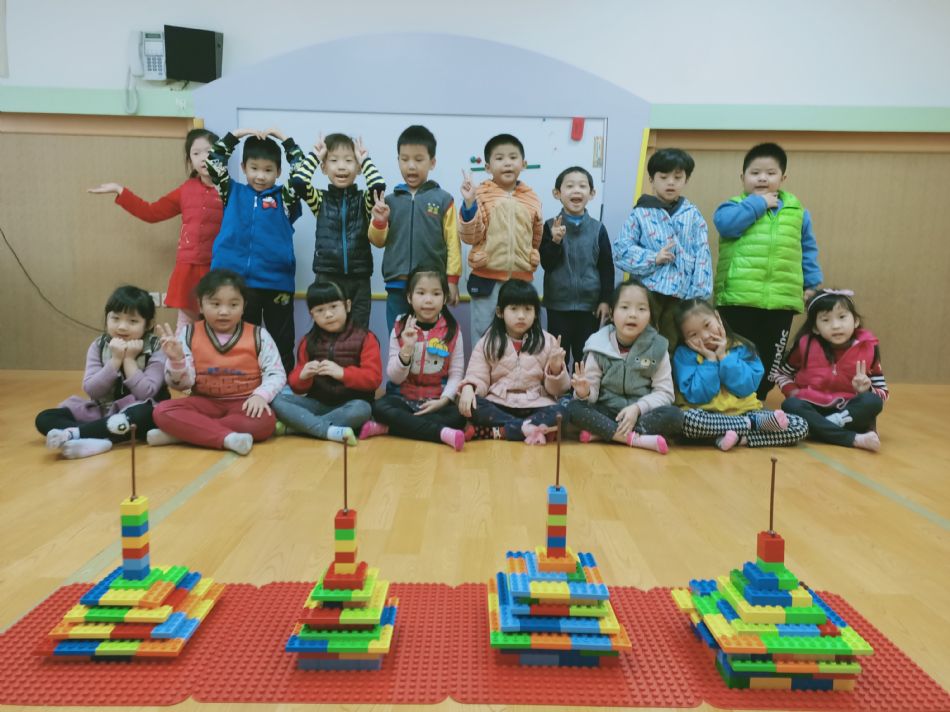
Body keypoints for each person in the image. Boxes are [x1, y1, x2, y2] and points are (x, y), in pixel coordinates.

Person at [713, 142, 823, 400]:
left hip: (781, 300)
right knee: (735, 353)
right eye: (755, 173)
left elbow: (807, 249)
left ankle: (758, 398)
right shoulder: (733, 207)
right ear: (742, 177)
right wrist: (758, 204)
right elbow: (726, 226)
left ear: (783, 178)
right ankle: (732, 398)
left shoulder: (798, 213)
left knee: (771, 354)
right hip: (738, 297)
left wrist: (811, 284)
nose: (762, 178)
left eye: (770, 173)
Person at [88, 128, 223, 328]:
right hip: (188, 270)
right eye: (196, 153)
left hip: (219, 267)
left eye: (209, 152)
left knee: (219, 325)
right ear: (190, 160)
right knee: (186, 328)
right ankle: (181, 350)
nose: (203, 158)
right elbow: (151, 213)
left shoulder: (232, 190)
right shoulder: (185, 190)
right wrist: (120, 190)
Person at [149, 269, 286, 456]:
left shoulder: (259, 335)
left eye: (233, 304)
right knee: (162, 410)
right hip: (204, 403)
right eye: (215, 304)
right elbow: (182, 385)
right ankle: (225, 437)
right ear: (200, 305)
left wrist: (261, 396)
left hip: (245, 404)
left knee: (265, 422)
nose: (224, 311)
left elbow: (276, 373)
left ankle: (185, 433)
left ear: (244, 306)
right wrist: (177, 361)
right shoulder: (188, 334)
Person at [206, 127, 307, 374]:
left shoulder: (285, 197)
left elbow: (302, 172)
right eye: (254, 168)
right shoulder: (232, 191)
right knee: (242, 339)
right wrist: (238, 134)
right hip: (237, 284)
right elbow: (214, 162)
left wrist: (285, 140)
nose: (260, 176)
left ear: (278, 172)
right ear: (243, 167)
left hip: (277, 283)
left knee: (281, 340)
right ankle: (245, 383)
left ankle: (282, 387)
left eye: (268, 170)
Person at [35, 285, 169, 459]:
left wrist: (129, 360)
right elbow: (92, 390)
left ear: (148, 324)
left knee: (141, 415)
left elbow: (147, 392)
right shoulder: (98, 346)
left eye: (133, 321)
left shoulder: (157, 347)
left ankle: (77, 435)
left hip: (139, 410)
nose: (122, 327)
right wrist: (115, 361)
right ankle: (95, 437)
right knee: (45, 418)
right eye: (115, 318)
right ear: (107, 318)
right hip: (104, 411)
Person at [672, 298, 808, 450]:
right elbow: (698, 395)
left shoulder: (741, 347)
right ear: (685, 339)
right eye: (693, 335)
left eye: (707, 325)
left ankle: (736, 438)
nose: (704, 336)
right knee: (687, 421)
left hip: (746, 412)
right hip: (707, 415)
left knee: (799, 426)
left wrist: (723, 356)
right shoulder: (684, 355)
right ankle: (750, 428)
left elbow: (746, 388)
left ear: (717, 317)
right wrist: (710, 360)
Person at [566, 280, 682, 453]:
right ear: (612, 314)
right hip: (605, 411)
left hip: (640, 415)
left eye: (641, 309)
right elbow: (591, 396)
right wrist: (585, 392)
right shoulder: (598, 345)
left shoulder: (658, 347)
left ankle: (605, 433)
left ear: (650, 315)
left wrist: (637, 408)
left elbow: (665, 393)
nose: (633, 315)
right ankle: (634, 439)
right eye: (625, 307)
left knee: (675, 415)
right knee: (573, 408)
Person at [613, 148, 711, 349]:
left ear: (686, 179)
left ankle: (666, 371)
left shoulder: (693, 215)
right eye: (664, 177)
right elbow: (620, 251)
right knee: (640, 340)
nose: (671, 182)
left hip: (681, 295)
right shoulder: (640, 214)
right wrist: (653, 258)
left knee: (671, 343)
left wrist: (698, 296)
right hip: (646, 293)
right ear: (652, 179)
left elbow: (703, 254)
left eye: (677, 177)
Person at [360, 266, 468, 451]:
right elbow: (395, 377)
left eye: (436, 293)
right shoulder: (400, 326)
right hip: (403, 398)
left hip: (436, 400)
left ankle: (390, 428)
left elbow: (456, 373)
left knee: (459, 417)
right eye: (421, 293)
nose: (428, 300)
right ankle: (441, 433)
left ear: (444, 298)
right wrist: (407, 348)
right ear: (409, 297)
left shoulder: (453, 330)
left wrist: (443, 400)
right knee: (379, 408)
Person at [367, 125, 461, 334]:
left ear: (432, 162)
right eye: (405, 159)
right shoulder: (389, 200)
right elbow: (377, 240)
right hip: (397, 285)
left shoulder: (443, 199)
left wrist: (452, 280)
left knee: (432, 339)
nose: (411, 166)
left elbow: (453, 243)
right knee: (398, 338)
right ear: (398, 160)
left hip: (431, 287)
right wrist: (380, 221)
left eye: (419, 160)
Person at [291, 133, 386, 329]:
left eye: (349, 161)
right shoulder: (320, 200)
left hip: (359, 277)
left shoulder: (364, 201)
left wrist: (364, 160)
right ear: (324, 168)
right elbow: (299, 182)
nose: (341, 166)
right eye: (334, 161)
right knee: (326, 330)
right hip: (327, 276)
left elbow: (378, 186)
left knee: (358, 331)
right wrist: (315, 156)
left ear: (358, 168)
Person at [458, 280, 569, 444]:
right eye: (514, 309)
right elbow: (477, 376)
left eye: (528, 309)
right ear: (500, 312)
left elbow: (558, 390)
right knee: (471, 404)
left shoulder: (548, 341)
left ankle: (503, 431)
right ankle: (529, 428)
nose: (521, 315)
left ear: (536, 313)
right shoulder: (487, 341)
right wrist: (469, 387)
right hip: (499, 404)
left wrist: (555, 369)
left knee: (564, 409)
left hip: (536, 404)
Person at [271, 281, 381, 445]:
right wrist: (303, 375)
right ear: (312, 314)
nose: (328, 314)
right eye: (320, 310)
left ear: (347, 305)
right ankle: (328, 430)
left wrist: (343, 373)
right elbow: (297, 387)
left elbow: (373, 379)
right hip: (317, 403)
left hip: (351, 405)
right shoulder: (308, 341)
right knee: (277, 401)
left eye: (334, 307)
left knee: (362, 410)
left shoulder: (366, 338)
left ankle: (300, 427)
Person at [776, 290, 886, 451]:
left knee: (872, 402)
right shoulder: (805, 345)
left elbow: (882, 391)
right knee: (790, 404)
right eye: (825, 320)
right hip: (813, 407)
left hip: (847, 411)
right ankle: (853, 439)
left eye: (842, 317)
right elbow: (782, 373)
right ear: (815, 328)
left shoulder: (869, 347)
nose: (835, 326)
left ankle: (817, 429)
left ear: (855, 321)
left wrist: (867, 389)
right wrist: (792, 391)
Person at [459, 133, 543, 343]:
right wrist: (469, 205)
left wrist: (531, 256)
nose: (507, 163)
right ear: (488, 167)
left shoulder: (531, 198)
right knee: (483, 336)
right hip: (486, 279)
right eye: (499, 158)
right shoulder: (480, 195)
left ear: (523, 164)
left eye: (513, 157)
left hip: (520, 279)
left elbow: (536, 236)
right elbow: (470, 237)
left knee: (519, 335)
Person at [539, 166, 613, 368]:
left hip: (589, 307)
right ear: (557, 193)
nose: (576, 190)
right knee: (558, 356)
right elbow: (546, 264)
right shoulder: (549, 226)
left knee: (585, 357)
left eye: (582, 186)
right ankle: (560, 386)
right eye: (570, 186)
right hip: (558, 305)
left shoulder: (598, 229)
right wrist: (555, 241)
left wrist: (605, 300)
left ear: (592, 193)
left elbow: (606, 267)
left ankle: (582, 387)